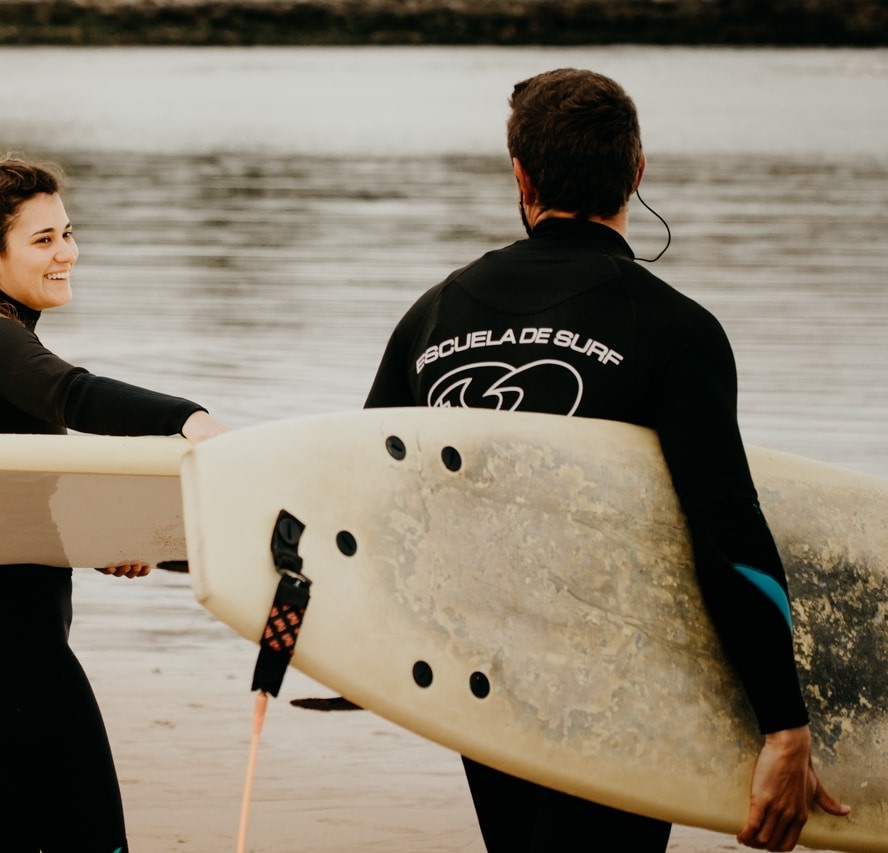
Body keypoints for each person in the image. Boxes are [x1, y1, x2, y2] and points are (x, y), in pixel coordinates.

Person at [364, 69, 850, 853]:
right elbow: (728, 536)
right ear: (637, 172)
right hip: (623, 686)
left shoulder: (432, 314)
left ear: (521, 176)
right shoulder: (676, 330)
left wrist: (376, 660)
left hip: (480, 680)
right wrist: (785, 724)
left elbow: (375, 496)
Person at [0, 147, 230, 852]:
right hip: (6, 644)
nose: (68, 254)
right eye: (44, 239)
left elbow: (0, 494)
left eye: (69, 233)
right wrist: (191, 417)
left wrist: (98, 540)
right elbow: (76, 394)